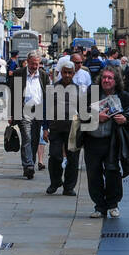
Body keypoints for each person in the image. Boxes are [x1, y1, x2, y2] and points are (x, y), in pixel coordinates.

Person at [81, 67, 129, 218]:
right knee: (93, 174)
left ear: (116, 81)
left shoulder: (124, 97)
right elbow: (79, 114)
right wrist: (96, 117)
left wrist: (125, 119)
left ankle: (113, 204)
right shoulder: (91, 94)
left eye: (110, 78)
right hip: (92, 140)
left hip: (112, 141)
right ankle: (99, 207)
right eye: (104, 78)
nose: (106, 80)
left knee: (112, 172)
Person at [9, 50, 50, 179]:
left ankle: (29, 162)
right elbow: (13, 95)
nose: (34, 67)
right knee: (27, 137)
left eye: (37, 64)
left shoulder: (44, 76)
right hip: (23, 110)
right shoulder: (18, 74)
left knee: (35, 139)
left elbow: (47, 95)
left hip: (38, 110)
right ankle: (29, 165)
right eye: (32, 64)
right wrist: (11, 114)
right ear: (27, 62)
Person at [45, 59, 82, 196]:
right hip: (55, 128)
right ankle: (55, 182)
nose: (67, 75)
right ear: (61, 72)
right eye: (65, 72)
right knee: (55, 156)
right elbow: (45, 109)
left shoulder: (78, 90)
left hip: (73, 129)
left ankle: (69, 187)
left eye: (70, 73)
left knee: (73, 159)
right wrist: (44, 128)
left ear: (73, 74)